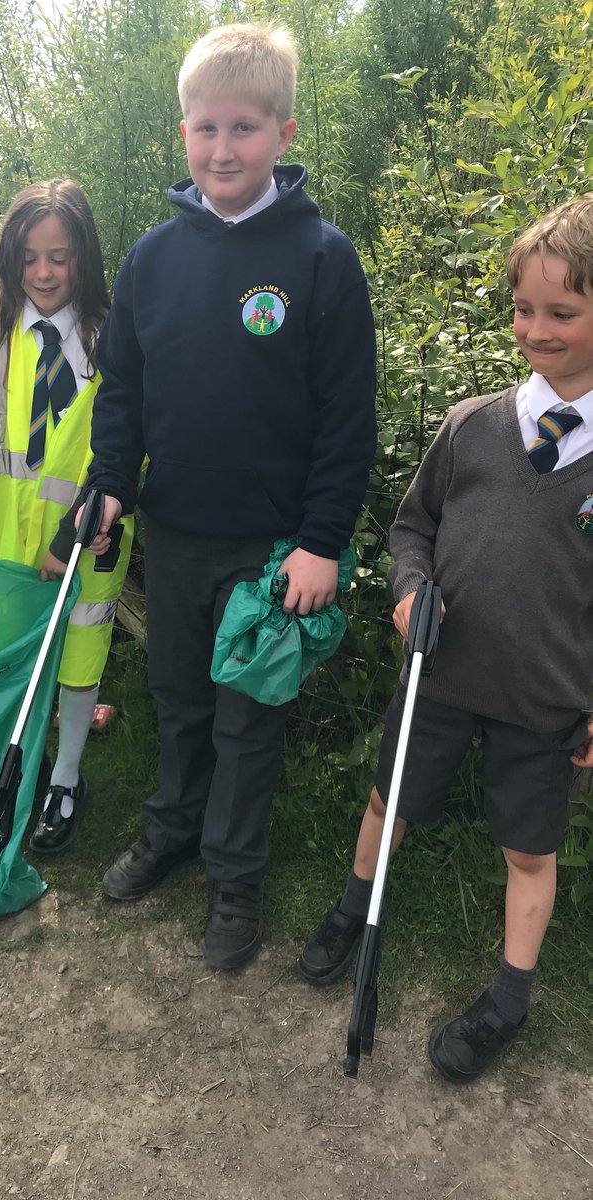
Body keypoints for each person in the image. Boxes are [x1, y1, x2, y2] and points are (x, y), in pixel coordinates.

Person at [80, 22, 377, 969]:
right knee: (180, 697)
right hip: (174, 536)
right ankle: (171, 829)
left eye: (243, 128)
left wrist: (322, 539)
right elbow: (121, 392)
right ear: (184, 134)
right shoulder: (152, 260)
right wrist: (111, 486)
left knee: (250, 720)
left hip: (273, 549)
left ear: (283, 134)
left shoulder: (323, 260)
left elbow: (345, 418)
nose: (222, 149)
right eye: (205, 128)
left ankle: (234, 876)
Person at [297, 194, 593, 1082]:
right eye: (524, 309)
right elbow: (411, 527)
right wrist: (410, 590)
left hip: (545, 701)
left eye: (563, 314)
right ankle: (356, 908)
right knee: (388, 801)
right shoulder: (472, 426)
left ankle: (509, 996)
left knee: (528, 849)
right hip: (439, 674)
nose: (536, 331)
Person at [0, 179, 133, 854]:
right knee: (2, 654)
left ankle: (67, 778)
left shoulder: (113, 342)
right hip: (3, 535)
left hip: (86, 534)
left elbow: (123, 444)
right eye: (29, 257)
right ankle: (15, 764)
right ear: (9, 262)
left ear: (84, 258)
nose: (44, 272)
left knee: (79, 652)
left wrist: (77, 526)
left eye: (59, 256)